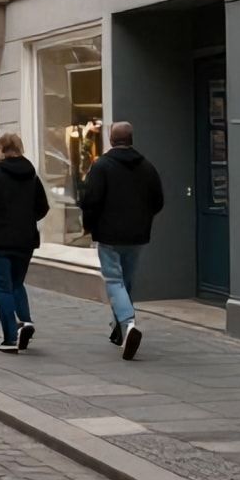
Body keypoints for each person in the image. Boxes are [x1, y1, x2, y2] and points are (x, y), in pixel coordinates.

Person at [80, 121, 165, 361]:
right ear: (131, 138)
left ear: (111, 139)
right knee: (126, 281)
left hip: (109, 235)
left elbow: (91, 200)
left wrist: (90, 224)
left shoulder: (102, 166)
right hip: (137, 235)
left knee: (114, 281)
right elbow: (158, 201)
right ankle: (119, 331)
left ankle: (128, 324)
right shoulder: (147, 167)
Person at [0, 133, 50, 354]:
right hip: (25, 241)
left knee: (3, 288)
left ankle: (10, 338)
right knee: (17, 284)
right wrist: (25, 220)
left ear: (2, 149)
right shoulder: (31, 175)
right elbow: (42, 207)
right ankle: (25, 321)